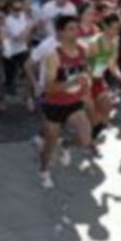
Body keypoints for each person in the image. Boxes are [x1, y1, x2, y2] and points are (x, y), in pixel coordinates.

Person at [38, 15, 97, 189]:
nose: (75, 32)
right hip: (54, 104)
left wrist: (86, 86)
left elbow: (85, 72)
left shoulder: (82, 50)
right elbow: (48, 87)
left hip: (74, 102)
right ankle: (44, 170)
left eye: (76, 28)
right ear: (60, 32)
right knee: (50, 143)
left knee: (86, 139)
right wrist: (71, 83)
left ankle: (67, 144)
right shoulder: (53, 55)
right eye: (70, 29)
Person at [2, 0, 36, 109]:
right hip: (11, 52)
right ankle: (2, 98)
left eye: (20, 9)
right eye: (15, 9)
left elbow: (27, 35)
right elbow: (19, 37)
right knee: (10, 80)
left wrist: (29, 29)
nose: (19, 11)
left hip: (23, 50)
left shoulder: (23, 16)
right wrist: (30, 27)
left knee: (29, 72)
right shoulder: (8, 20)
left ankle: (29, 98)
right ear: (10, 9)